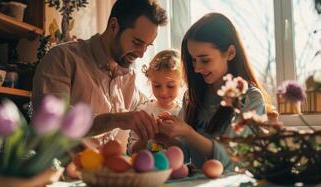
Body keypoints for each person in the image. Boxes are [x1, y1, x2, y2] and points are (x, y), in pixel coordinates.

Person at [32, 0, 168, 149]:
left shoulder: (129, 78)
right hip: (60, 170)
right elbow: (55, 122)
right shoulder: (62, 59)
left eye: (147, 46)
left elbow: (142, 111)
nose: (142, 54)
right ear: (113, 26)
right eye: (137, 42)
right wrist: (116, 120)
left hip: (107, 170)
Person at [157, 13, 270, 170]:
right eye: (193, 60)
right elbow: (185, 152)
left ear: (230, 53)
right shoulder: (192, 97)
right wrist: (165, 137)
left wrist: (188, 132)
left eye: (205, 60)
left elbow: (231, 157)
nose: (196, 68)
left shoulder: (250, 98)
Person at [126, 49, 184, 154]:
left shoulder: (183, 113)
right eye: (156, 85)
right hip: (148, 169)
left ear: (181, 82)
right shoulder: (143, 111)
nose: (163, 92)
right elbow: (131, 151)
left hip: (175, 169)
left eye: (170, 86)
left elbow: (187, 154)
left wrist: (164, 137)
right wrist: (148, 135)